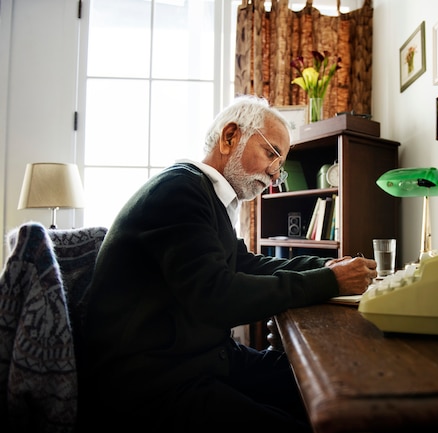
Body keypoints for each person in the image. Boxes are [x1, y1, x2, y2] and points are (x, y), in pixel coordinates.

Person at [77, 95, 377, 433]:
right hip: (151, 384)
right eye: (272, 154)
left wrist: (325, 267)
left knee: (326, 384)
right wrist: (329, 281)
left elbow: (245, 263)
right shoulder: (180, 192)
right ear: (230, 136)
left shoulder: (207, 196)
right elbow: (216, 296)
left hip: (200, 360)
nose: (276, 174)